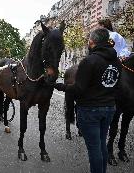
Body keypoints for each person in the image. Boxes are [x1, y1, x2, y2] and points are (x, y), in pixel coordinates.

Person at [54, 28, 122, 173]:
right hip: (109, 108)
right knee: (101, 144)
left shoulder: (89, 61)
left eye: (88, 40)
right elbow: (116, 86)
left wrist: (58, 86)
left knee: (94, 149)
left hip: (90, 110)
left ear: (92, 41)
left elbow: (79, 89)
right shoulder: (116, 61)